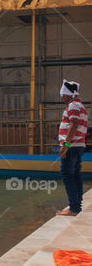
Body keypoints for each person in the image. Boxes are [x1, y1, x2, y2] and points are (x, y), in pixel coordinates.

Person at [57, 80, 86, 216]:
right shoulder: (80, 106)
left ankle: (74, 208)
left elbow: (74, 125)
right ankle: (77, 203)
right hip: (78, 145)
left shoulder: (73, 106)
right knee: (75, 174)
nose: (62, 97)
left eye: (63, 95)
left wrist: (65, 146)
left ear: (68, 94)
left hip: (72, 146)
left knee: (67, 175)